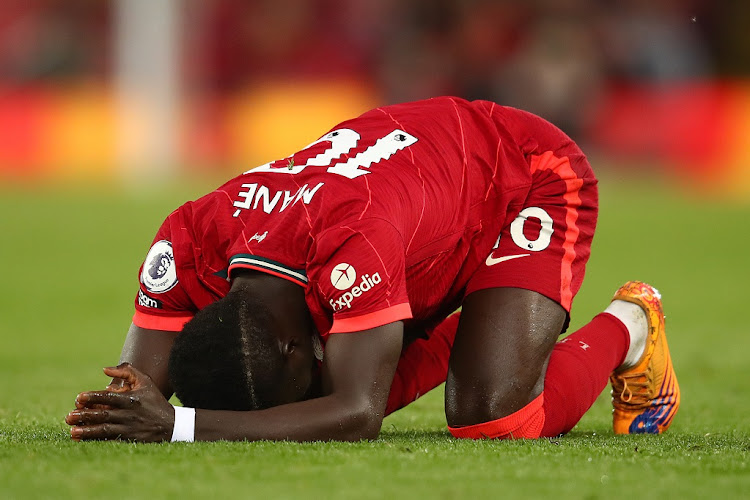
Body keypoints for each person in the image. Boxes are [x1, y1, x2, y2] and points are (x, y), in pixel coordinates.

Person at [65, 96, 679, 442]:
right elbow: (133, 394)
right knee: (337, 388)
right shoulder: (189, 238)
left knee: (495, 417)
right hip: (418, 203)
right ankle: (488, 324)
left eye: (298, 378)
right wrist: (135, 411)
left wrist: (181, 428)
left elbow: (356, 413)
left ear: (289, 344)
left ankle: (631, 323)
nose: (309, 385)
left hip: (522, 171)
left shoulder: (351, 240)